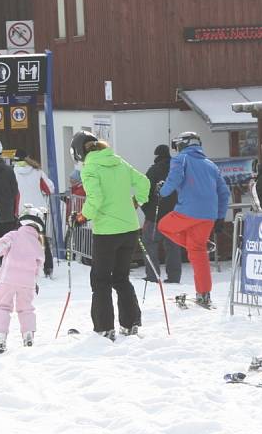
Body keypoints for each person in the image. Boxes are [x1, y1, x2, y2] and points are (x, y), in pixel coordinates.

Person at [70, 130, 149, 339]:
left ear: (78, 153)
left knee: (101, 280)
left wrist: (81, 217)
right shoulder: (119, 161)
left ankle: (104, 327)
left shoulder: (90, 169)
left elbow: (95, 199)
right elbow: (144, 183)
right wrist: (136, 202)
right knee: (121, 278)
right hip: (130, 229)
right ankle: (130, 323)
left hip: (107, 232)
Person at [158, 132, 230, 307]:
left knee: (164, 226)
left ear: (183, 145)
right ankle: (204, 294)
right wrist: (220, 217)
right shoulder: (211, 165)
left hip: (188, 211)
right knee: (197, 254)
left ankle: (199, 245)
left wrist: (161, 191)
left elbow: (174, 179)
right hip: (209, 215)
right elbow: (224, 192)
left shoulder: (181, 159)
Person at [0, 207, 45, 353]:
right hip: (27, 283)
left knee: (2, 307)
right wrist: (35, 282)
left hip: (7, 279)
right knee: (26, 308)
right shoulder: (38, 244)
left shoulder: (14, 235)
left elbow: (2, 244)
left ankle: (1, 338)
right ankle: (28, 336)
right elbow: (39, 265)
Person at [140, 144, 181, 283]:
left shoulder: (153, 171)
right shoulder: (177, 169)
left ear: (156, 155)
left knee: (149, 243)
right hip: (175, 215)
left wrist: (147, 211)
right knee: (173, 246)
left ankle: (152, 275)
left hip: (154, 216)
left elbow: (143, 192)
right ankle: (174, 277)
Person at [13, 149, 54, 276]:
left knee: (22, 238)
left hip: (22, 210)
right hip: (39, 210)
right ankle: (48, 268)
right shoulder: (37, 171)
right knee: (41, 238)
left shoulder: (13, 172)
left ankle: (25, 267)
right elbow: (50, 189)